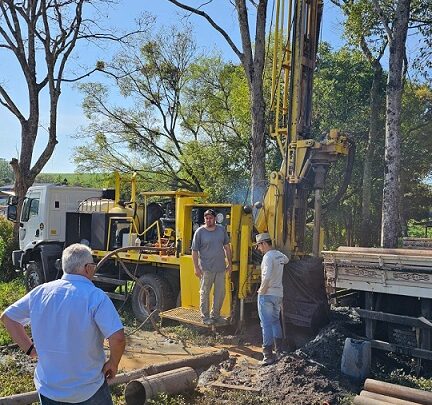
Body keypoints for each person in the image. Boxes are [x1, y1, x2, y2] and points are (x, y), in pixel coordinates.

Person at [0, 243, 126, 404]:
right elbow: (118, 339)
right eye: (93, 266)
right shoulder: (96, 297)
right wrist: (113, 363)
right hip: (88, 389)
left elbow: (8, 317)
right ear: (87, 268)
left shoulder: (40, 292)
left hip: (49, 389)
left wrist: (30, 349)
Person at [192, 208, 232, 325]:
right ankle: (205, 317)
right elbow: (194, 251)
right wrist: (196, 267)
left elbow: (227, 247)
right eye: (206, 218)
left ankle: (216, 315)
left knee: (220, 294)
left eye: (210, 218)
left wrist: (229, 263)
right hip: (206, 269)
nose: (208, 220)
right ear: (204, 219)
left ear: (215, 219)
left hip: (220, 268)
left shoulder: (221, 230)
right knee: (205, 293)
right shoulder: (199, 232)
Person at [255, 232, 289, 365]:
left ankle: (268, 355)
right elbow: (286, 260)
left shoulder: (267, 257)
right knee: (275, 321)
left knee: (266, 324)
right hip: (278, 294)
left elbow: (267, 275)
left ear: (263, 243)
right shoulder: (279, 255)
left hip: (267, 294)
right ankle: (279, 351)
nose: (258, 249)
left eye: (259, 246)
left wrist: (261, 291)